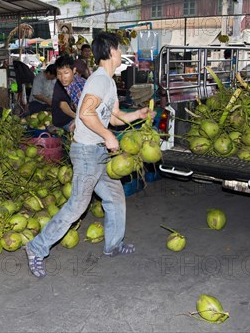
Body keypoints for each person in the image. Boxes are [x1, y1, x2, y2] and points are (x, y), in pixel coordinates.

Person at [25, 31, 155, 278]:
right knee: (77, 205)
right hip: (87, 152)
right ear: (111, 51)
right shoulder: (99, 80)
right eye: (119, 49)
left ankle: (113, 244)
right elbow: (85, 113)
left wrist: (136, 116)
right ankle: (36, 248)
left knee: (115, 198)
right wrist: (107, 136)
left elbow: (114, 117)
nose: (121, 54)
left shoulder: (108, 80)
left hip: (98, 152)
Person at [50, 55, 86, 131]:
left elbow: (87, 114)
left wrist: (77, 119)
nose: (62, 77)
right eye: (59, 74)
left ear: (74, 70)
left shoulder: (78, 87)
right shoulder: (68, 84)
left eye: (66, 73)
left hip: (79, 122)